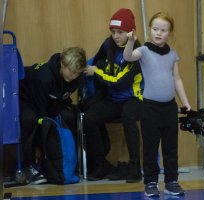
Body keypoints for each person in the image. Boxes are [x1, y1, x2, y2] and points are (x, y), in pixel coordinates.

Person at [124, 12, 191, 196]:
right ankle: (151, 182)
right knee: (151, 146)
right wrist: (130, 41)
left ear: (170, 33)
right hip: (150, 108)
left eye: (163, 30)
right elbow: (128, 57)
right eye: (155, 29)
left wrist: (186, 104)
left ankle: (171, 182)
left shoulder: (172, 55)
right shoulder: (143, 51)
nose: (158, 33)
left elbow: (177, 80)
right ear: (149, 30)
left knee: (170, 146)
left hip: (169, 108)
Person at [83, 8, 144, 183]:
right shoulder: (108, 44)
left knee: (128, 116)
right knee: (89, 118)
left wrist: (97, 73)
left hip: (134, 98)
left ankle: (134, 168)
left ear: (131, 32)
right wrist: (95, 70)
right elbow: (95, 64)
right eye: (113, 32)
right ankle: (101, 164)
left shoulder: (136, 52)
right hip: (114, 98)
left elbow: (119, 82)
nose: (115, 36)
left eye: (120, 32)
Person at [19, 47, 87, 184]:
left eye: (76, 73)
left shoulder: (74, 77)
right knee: (31, 120)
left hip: (48, 99)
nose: (73, 76)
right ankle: (28, 166)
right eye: (71, 72)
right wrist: (38, 147)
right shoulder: (44, 78)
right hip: (24, 97)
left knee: (67, 115)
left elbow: (61, 97)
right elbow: (41, 114)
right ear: (62, 64)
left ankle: (63, 164)